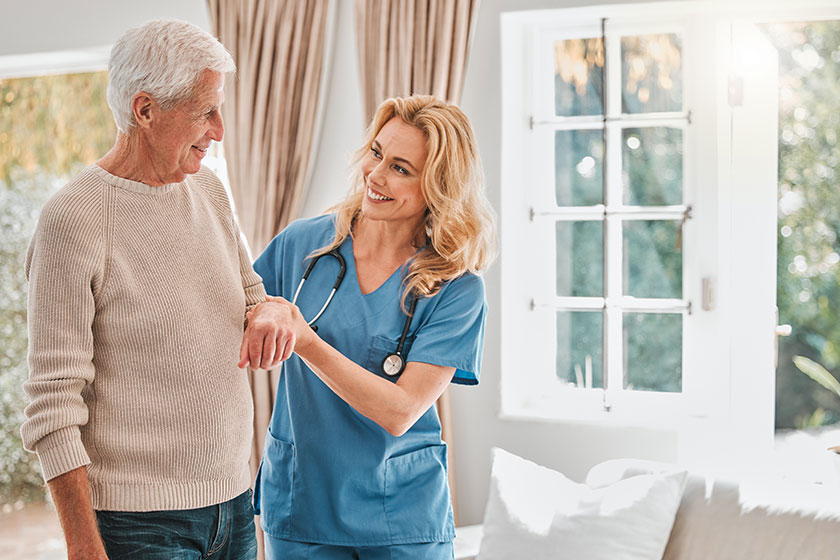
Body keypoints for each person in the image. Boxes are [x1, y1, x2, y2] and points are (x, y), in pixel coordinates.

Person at [21, 19, 291, 560]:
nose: (219, 129)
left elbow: (250, 294)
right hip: (135, 525)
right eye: (204, 112)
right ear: (145, 111)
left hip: (236, 504)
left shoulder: (209, 190)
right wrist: (82, 546)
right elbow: (52, 404)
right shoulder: (74, 218)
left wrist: (273, 309)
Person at [241, 95, 497, 559]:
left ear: (438, 186)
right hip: (303, 506)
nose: (375, 176)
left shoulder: (455, 288)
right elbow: (229, 321)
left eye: (401, 168)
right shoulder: (302, 245)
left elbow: (401, 410)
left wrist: (304, 339)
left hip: (402, 516)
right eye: (377, 153)